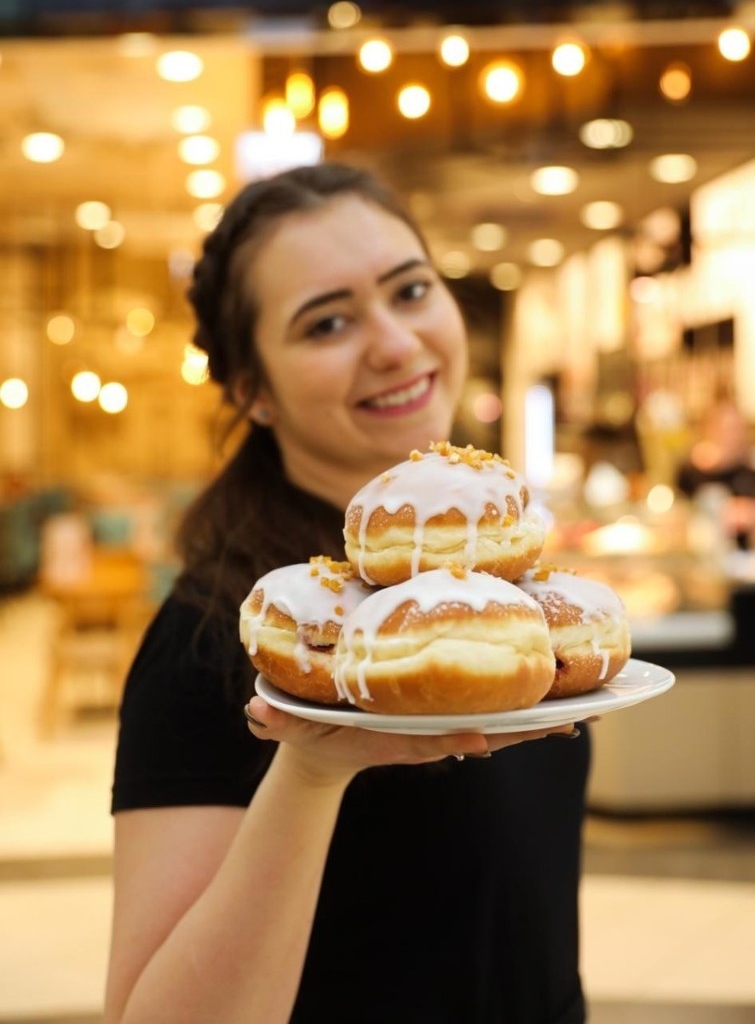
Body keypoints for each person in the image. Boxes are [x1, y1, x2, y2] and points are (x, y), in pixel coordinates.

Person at [105, 163, 590, 1024]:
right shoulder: (228, 641)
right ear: (252, 390)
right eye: (326, 321)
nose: (396, 343)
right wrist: (310, 771)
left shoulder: (509, 597)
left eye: (410, 290)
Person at [676, 397, 755, 549]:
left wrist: (751, 514)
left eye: (736, 428)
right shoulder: (689, 470)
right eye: (726, 428)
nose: (731, 435)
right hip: (700, 552)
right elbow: (679, 512)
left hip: (740, 556)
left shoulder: (748, 471)